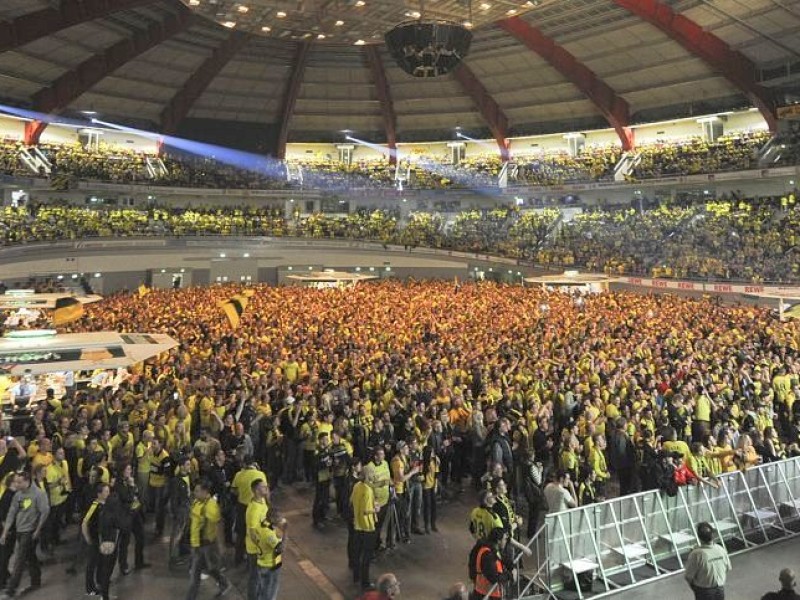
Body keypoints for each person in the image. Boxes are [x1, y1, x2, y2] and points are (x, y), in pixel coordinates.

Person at [0, 471, 49, 599]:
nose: (17, 484)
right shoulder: (18, 495)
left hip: (30, 531)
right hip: (19, 530)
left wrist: (38, 530)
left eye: (19, 482)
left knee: (19, 559)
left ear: (27, 481)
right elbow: (11, 513)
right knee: (30, 556)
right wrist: (5, 532)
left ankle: (10, 589)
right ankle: (36, 580)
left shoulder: (39, 494)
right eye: (16, 482)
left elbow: (44, 512)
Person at [185, 480, 232, 600]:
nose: (194, 493)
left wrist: (221, 545)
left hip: (206, 546)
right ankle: (224, 583)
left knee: (195, 576)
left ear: (205, 492)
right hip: (196, 544)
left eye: (197, 491)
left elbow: (219, 524)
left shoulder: (211, 506)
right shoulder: (197, 502)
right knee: (210, 568)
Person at [684, 521, 731, 600]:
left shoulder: (696, 554)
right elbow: (727, 568)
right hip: (720, 589)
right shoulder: (721, 550)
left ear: (699, 536)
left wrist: (696, 588)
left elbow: (688, 576)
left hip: (704, 591)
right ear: (712, 535)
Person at [351, 468, 378, 590]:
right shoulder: (367, 490)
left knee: (357, 553)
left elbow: (351, 501)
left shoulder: (357, 485)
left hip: (357, 525)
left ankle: (356, 576)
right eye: (372, 474)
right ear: (368, 476)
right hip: (367, 526)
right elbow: (366, 511)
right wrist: (375, 509)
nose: (374, 476)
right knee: (366, 557)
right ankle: (365, 582)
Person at [469, 527, 511, 600]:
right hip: (487, 594)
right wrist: (509, 575)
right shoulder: (488, 554)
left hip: (484, 592)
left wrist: (512, 566)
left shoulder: (492, 549)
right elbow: (493, 577)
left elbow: (503, 558)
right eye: (504, 539)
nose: (506, 541)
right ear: (498, 540)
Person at [246, 478, 270, 600]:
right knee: (255, 577)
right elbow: (252, 533)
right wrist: (262, 548)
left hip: (261, 545)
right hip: (255, 549)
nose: (266, 487)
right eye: (263, 486)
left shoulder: (262, 500)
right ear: (256, 491)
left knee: (260, 576)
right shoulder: (254, 509)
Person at [253, 514, 287, 600]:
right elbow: (280, 548)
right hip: (271, 565)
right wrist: (284, 531)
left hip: (260, 562)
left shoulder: (262, 523)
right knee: (270, 592)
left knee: (261, 589)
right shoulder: (269, 535)